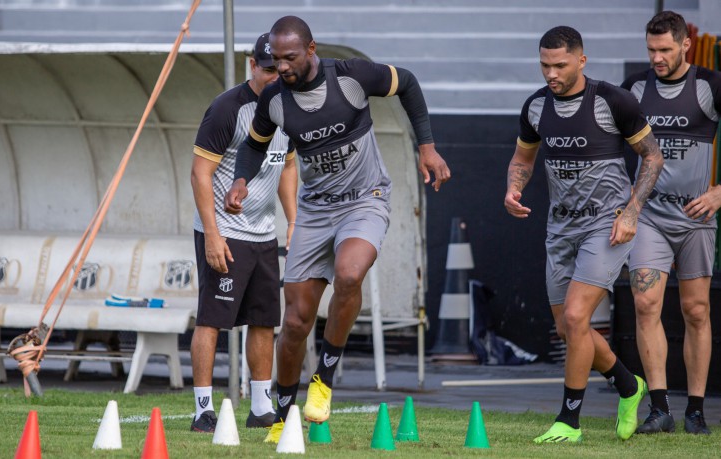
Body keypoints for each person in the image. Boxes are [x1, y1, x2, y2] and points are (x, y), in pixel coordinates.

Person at [224, 16, 450, 443]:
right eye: (275, 59)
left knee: (349, 274)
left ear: (311, 50)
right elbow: (254, 145)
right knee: (295, 322)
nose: (283, 67)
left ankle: (324, 380)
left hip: (366, 198)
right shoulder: (274, 99)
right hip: (314, 210)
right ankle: (282, 415)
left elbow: (409, 84)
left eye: (290, 58)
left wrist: (427, 147)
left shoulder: (350, 76)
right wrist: (241, 180)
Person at [505, 26, 664, 443]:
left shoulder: (613, 100)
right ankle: (629, 386)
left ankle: (569, 421)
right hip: (560, 226)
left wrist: (631, 212)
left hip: (606, 224)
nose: (551, 73)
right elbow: (523, 156)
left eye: (559, 64)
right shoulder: (536, 106)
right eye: (544, 65)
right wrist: (513, 188)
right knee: (567, 328)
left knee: (578, 317)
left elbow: (652, 157)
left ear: (581, 60)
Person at [189, 33, 297, 433]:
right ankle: (203, 409)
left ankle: (261, 406)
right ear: (252, 65)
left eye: (281, 68)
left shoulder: (289, 105)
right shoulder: (227, 109)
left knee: (265, 320)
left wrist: (294, 221)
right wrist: (213, 235)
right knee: (212, 320)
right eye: (269, 69)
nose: (276, 75)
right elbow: (200, 174)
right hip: (225, 231)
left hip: (263, 233)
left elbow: (286, 165)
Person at [621, 11, 721, 435]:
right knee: (646, 304)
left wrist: (720, 192)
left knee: (696, 310)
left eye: (664, 50)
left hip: (695, 216)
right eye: (651, 50)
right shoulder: (636, 89)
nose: (657, 58)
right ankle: (659, 408)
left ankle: (695, 410)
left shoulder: (709, 85)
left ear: (685, 45)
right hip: (650, 216)